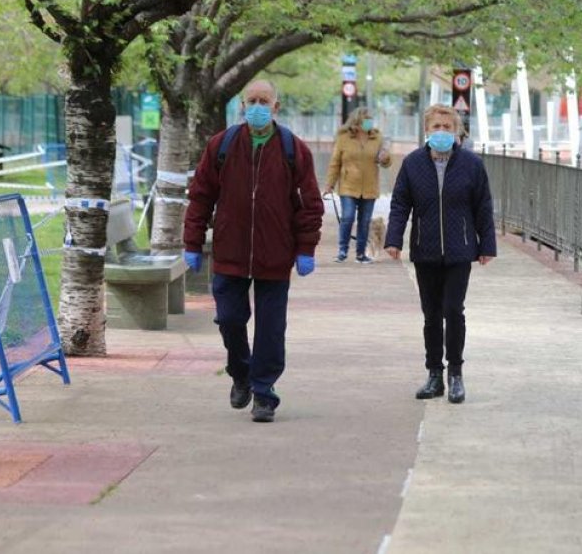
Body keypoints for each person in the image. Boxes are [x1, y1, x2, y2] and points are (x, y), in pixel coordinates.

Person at [183, 80, 324, 423]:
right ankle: (240, 371)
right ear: (242, 106)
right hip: (230, 253)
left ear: (276, 107)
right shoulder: (222, 145)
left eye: (264, 101)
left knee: (271, 329)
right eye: (251, 101)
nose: (257, 106)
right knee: (230, 319)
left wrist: (306, 247)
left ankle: (264, 392)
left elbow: (310, 203)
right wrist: (192, 241)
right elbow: (201, 196)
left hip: (275, 255)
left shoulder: (294, 149)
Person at [384, 105, 496, 404]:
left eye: (448, 126)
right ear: (427, 130)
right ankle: (434, 374)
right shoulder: (413, 164)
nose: (442, 132)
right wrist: (393, 239)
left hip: (460, 250)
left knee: (453, 310)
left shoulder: (471, 164)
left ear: (457, 131)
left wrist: (487, 245)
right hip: (426, 249)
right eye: (437, 126)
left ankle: (455, 374)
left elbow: (483, 206)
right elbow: (400, 204)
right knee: (431, 315)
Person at [325, 107, 392, 263]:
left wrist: (385, 158)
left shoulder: (377, 137)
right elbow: (335, 162)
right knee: (347, 217)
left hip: (369, 187)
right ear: (357, 121)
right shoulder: (344, 138)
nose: (369, 121)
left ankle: (361, 254)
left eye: (370, 118)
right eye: (366, 119)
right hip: (348, 186)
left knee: (364, 221)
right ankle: (342, 251)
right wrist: (330, 184)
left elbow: (386, 162)